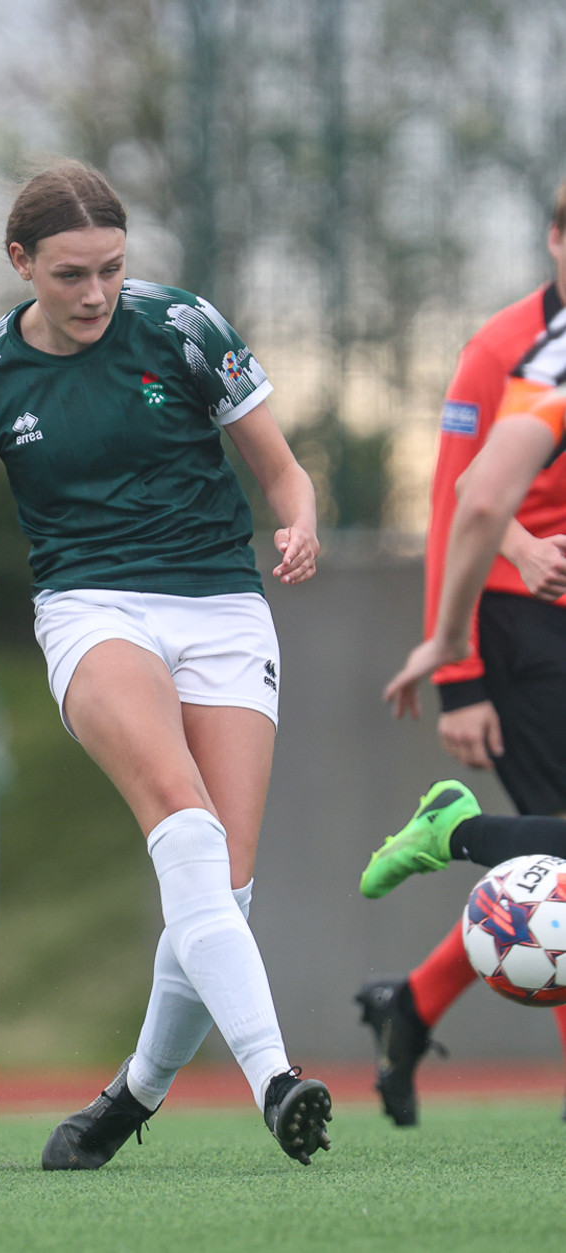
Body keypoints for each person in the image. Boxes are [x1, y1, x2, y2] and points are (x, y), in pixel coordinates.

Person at [0, 160, 332, 1170]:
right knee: (185, 824)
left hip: (224, 606)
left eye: (112, 269)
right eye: (71, 274)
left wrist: (298, 524)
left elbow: (284, 471)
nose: (96, 294)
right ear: (21, 262)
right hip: (93, 608)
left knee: (222, 892)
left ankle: (132, 1094)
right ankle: (276, 1079)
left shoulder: (185, 328)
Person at [355, 179, 566, 1127]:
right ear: (554, 238)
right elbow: (466, 495)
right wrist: (457, 670)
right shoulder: (513, 351)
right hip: (526, 624)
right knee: (561, 866)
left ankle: (412, 1000)